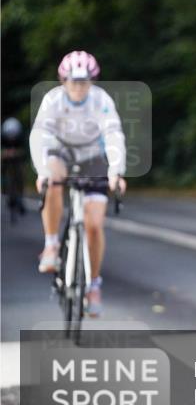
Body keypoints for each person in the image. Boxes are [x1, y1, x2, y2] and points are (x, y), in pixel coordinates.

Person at [30, 50, 127, 317]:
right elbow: (39, 136)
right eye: (74, 81)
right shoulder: (53, 101)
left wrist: (116, 171)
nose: (79, 87)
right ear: (63, 81)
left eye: (84, 82)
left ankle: (93, 285)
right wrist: (41, 171)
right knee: (52, 176)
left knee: (94, 225)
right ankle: (51, 244)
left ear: (92, 82)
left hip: (92, 158)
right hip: (61, 153)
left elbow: (113, 135)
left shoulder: (101, 100)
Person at [2, 117, 27, 218]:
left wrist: (16, 153)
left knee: (20, 174)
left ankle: (20, 197)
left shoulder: (22, 137)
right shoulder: (2, 136)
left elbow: (26, 151)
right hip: (5, 159)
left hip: (18, 160)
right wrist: (5, 153)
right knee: (3, 170)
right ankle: (4, 188)